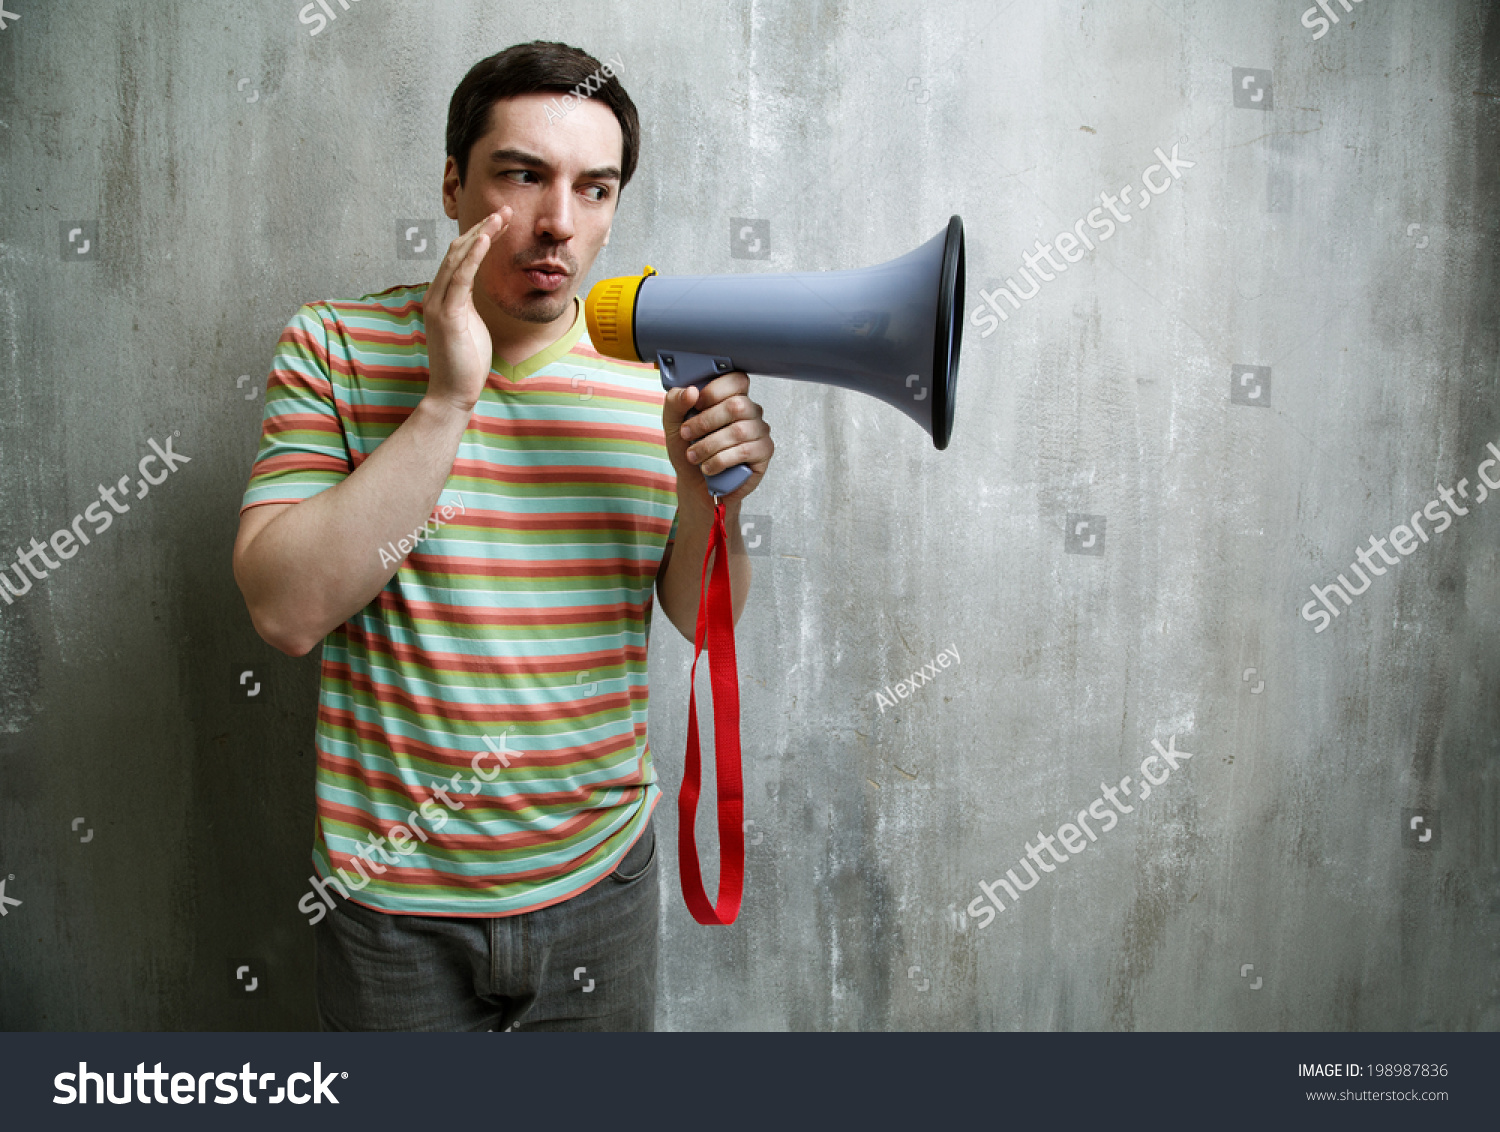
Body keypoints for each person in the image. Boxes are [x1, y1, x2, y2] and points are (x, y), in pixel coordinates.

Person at [231, 40, 774, 1032]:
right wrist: (447, 401)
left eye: (595, 189)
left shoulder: (654, 369)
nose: (558, 223)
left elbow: (708, 624)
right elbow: (285, 610)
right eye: (523, 175)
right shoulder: (334, 346)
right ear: (452, 183)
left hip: (600, 885)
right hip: (391, 911)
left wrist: (711, 500)